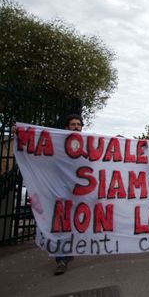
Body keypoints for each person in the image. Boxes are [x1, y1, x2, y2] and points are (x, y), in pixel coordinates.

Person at [54, 113, 83, 275]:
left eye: (78, 124)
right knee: (62, 223)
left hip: (81, 192)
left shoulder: (87, 144)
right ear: (66, 127)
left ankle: (69, 250)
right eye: (73, 124)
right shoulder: (58, 144)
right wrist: (19, 132)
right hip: (62, 191)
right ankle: (62, 258)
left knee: (77, 222)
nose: (76, 127)